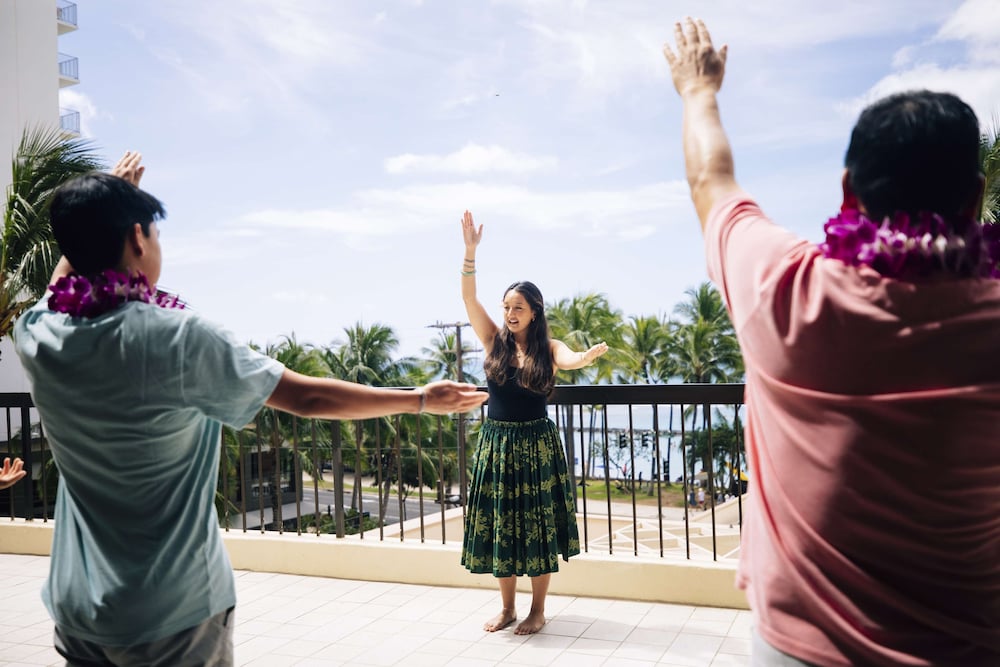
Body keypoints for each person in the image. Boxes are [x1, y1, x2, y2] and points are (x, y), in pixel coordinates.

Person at [13, 152, 488, 667]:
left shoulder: (38, 331)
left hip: (77, 607)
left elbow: (62, 281)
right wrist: (419, 399)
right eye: (155, 233)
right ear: (137, 239)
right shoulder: (175, 339)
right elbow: (306, 397)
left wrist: (99, 207)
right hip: (168, 611)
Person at [664, 18, 999, 667]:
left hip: (802, 649)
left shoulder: (785, 287)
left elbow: (712, 181)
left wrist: (698, 90)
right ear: (976, 199)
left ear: (849, 190)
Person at [458, 210, 608, 635]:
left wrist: (584, 358)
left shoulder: (549, 348)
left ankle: (537, 610)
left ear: (535, 312)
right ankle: (507, 608)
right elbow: (469, 299)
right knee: (502, 526)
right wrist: (470, 253)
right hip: (497, 445)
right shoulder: (493, 340)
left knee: (537, 529)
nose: (510, 313)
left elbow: (569, 359)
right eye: (507, 307)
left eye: (518, 307)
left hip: (536, 446)